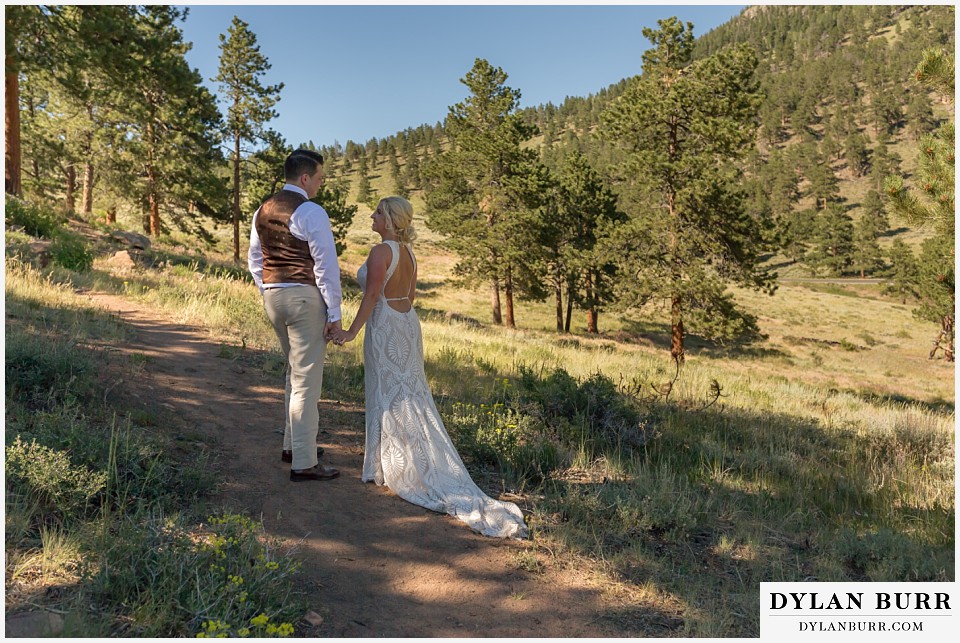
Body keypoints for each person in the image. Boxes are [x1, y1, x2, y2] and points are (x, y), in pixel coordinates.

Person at [331, 197, 527, 538]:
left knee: (388, 392)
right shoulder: (409, 254)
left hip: (386, 325)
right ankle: (392, 461)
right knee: (408, 392)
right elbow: (410, 295)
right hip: (407, 323)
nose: (372, 216)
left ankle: (393, 466)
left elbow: (372, 295)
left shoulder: (382, 252)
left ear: (390, 220)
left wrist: (351, 331)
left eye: (378, 212)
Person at [248, 149, 341, 482]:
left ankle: (293, 445)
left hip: (274, 297)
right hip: (304, 299)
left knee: (294, 372)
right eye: (318, 178)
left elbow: (254, 261)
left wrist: (269, 290)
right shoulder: (311, 211)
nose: (319, 184)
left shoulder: (263, 209)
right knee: (307, 381)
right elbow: (326, 266)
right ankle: (304, 462)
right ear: (305, 178)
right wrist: (335, 312)